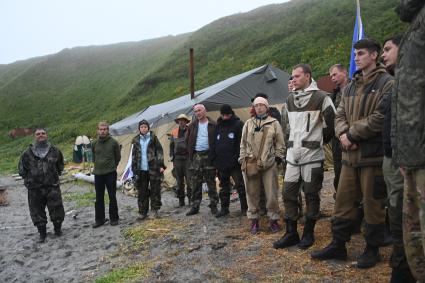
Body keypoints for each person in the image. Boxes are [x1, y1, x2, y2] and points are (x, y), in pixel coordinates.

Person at [311, 38, 393, 269]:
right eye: (355, 54)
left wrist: (352, 135)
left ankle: (372, 248)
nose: (356, 57)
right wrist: (343, 134)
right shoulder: (349, 86)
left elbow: (381, 117)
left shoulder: (387, 82)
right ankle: (338, 244)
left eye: (361, 54)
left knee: (373, 205)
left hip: (372, 157)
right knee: (343, 203)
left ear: (374, 55)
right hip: (349, 157)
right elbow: (339, 115)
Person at [273, 64, 336, 250]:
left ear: (307, 76)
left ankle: (308, 233)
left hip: (312, 156)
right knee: (288, 193)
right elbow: (287, 126)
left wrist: (317, 141)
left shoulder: (321, 97)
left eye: (297, 76)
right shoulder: (290, 99)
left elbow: (332, 123)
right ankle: (291, 233)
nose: (293, 79)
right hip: (293, 156)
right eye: (292, 76)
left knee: (311, 194)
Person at [392, 1, 425, 281]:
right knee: (414, 236)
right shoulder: (414, 27)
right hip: (411, 155)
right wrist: (402, 153)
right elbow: (404, 99)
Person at [381, 34, 416, 283]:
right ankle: (402, 267)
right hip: (394, 158)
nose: (384, 55)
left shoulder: (411, 79)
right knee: (397, 214)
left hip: (408, 160)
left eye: (387, 49)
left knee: (408, 216)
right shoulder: (398, 81)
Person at [239, 96, 285, 234]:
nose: (259, 107)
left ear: (266, 107)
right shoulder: (248, 123)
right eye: (256, 105)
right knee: (252, 193)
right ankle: (254, 221)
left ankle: (273, 220)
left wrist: (278, 157)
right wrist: (242, 159)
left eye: (261, 105)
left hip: (269, 163)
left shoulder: (274, 123)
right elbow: (243, 143)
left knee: (271, 193)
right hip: (251, 163)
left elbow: (280, 143)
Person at [19, 128, 65, 243]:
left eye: (43, 133)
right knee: (37, 211)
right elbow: (22, 170)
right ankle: (42, 234)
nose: (41, 135)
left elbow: (60, 166)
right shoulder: (27, 153)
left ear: (47, 135)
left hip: (52, 186)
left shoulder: (55, 151)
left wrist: (53, 176)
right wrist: (30, 179)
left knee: (57, 209)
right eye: (38, 134)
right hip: (35, 189)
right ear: (35, 136)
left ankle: (58, 230)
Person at [211, 104, 247, 217]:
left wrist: (237, 158)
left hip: (234, 163)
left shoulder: (238, 124)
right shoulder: (218, 126)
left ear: (231, 114)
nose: (225, 117)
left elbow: (241, 144)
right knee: (224, 187)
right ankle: (224, 208)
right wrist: (214, 160)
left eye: (227, 115)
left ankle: (245, 208)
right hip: (221, 162)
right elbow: (213, 143)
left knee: (240, 185)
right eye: (223, 115)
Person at [185, 104, 219, 216]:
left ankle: (214, 205)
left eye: (199, 110)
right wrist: (191, 154)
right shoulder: (192, 126)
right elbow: (187, 140)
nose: (197, 113)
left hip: (209, 156)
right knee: (196, 182)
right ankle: (195, 206)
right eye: (195, 111)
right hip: (197, 156)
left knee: (211, 182)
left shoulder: (213, 124)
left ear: (205, 111)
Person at [131, 119, 166, 219]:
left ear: (148, 128)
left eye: (145, 127)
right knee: (142, 191)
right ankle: (143, 212)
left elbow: (159, 152)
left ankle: (155, 210)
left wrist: (160, 166)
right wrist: (134, 169)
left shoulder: (153, 138)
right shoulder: (136, 140)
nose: (143, 128)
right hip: (141, 169)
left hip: (153, 168)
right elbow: (133, 155)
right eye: (141, 127)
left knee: (155, 190)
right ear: (139, 129)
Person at [92, 121, 121, 228]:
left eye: (104, 129)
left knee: (112, 196)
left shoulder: (114, 142)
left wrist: (112, 167)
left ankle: (114, 218)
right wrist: (99, 166)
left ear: (108, 130)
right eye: (101, 129)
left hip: (110, 173)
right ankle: (100, 219)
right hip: (98, 174)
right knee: (99, 197)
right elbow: (94, 157)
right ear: (98, 130)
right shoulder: (94, 143)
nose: (102, 131)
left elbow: (118, 157)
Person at [328, 64, 349, 193]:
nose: (333, 78)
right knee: (339, 170)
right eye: (331, 76)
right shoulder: (334, 95)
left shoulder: (357, 89)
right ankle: (341, 199)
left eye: (335, 74)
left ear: (345, 72)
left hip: (353, 136)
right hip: (337, 139)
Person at [170, 114, 191, 207]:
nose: (181, 122)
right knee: (179, 181)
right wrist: (172, 157)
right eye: (179, 120)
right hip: (177, 159)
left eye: (183, 120)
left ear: (186, 121)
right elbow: (171, 146)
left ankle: (191, 200)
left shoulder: (190, 130)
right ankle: (181, 201)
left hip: (188, 158)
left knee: (189, 180)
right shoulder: (174, 132)